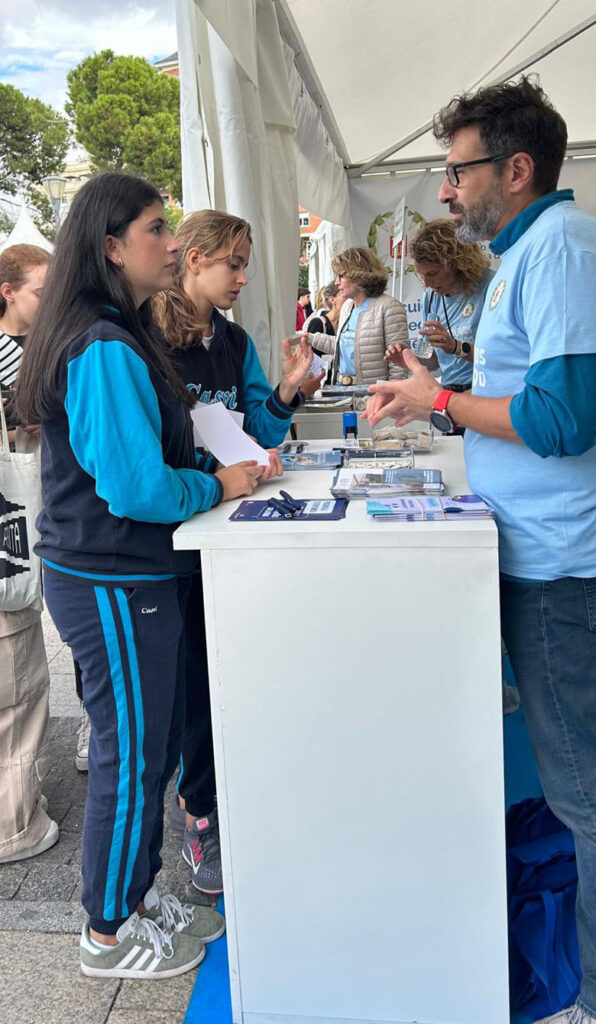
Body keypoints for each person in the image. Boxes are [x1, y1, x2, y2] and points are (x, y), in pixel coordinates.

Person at [365, 77, 596, 1024]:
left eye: (457, 171)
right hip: (556, 547)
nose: (446, 191)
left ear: (515, 168)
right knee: (586, 778)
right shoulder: (539, 252)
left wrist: (437, 403)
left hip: (566, 560)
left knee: (590, 796)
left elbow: (560, 418)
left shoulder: (565, 252)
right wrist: (437, 392)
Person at [14, 172, 272, 980]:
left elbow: (145, 456)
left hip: (119, 574)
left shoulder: (111, 332)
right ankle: (107, 929)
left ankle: (135, 891)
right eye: (156, 228)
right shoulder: (100, 342)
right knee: (133, 757)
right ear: (111, 246)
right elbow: (134, 485)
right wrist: (217, 483)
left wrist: (204, 464)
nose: (171, 242)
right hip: (113, 577)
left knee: (147, 749)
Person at [153, 208, 315, 894]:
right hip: (177, 541)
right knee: (194, 678)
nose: (243, 278)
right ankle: (201, 813)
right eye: (234, 264)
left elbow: (258, 424)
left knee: (238, 664)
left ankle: (238, 790)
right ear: (194, 258)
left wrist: (285, 390)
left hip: (234, 532)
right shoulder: (144, 339)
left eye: (244, 264)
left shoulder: (236, 339)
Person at [0, 243, 58, 866]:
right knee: (17, 683)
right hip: (11, 527)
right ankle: (14, 825)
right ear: (9, 292)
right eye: (41, 291)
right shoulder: (17, 358)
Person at [386, 219, 494, 390]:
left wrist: (456, 347)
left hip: (486, 392)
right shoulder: (432, 297)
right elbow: (433, 362)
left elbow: (501, 357)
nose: (427, 283)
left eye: (433, 274)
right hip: (450, 391)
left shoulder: (491, 286)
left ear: (457, 263)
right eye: (422, 276)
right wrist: (408, 360)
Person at [306, 247, 408, 386]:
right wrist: (308, 337)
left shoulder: (389, 306)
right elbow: (342, 346)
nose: (336, 283)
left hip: (372, 395)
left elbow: (398, 364)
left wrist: (392, 396)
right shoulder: (348, 306)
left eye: (341, 276)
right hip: (342, 390)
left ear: (358, 276)